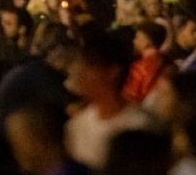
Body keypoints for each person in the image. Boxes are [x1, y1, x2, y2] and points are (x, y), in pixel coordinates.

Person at [63, 29, 154, 171]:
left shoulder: (141, 125)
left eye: (89, 66)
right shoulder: (77, 126)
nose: (79, 73)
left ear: (113, 71)